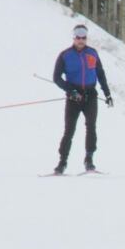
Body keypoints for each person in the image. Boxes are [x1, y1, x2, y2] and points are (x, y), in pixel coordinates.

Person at [52, 24, 114, 174]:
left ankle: (89, 160)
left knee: (91, 127)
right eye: (78, 37)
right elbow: (56, 78)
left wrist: (107, 94)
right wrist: (71, 91)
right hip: (74, 97)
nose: (81, 40)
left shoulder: (92, 53)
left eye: (83, 37)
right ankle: (62, 162)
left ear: (86, 38)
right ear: (74, 38)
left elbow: (100, 74)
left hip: (90, 95)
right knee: (69, 130)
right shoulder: (65, 55)